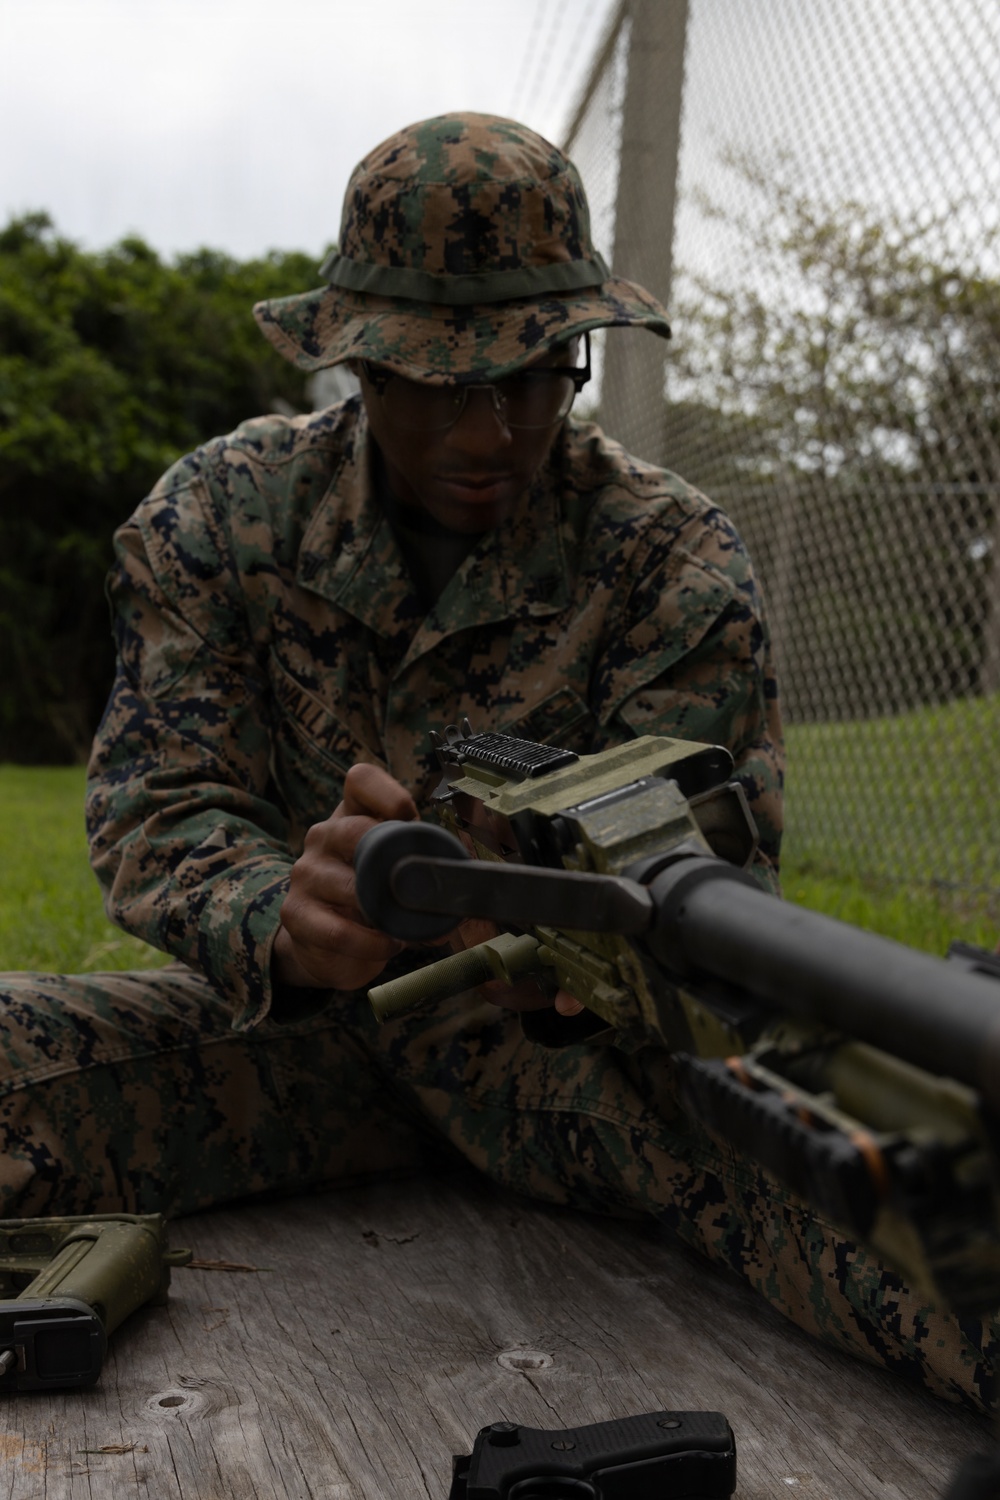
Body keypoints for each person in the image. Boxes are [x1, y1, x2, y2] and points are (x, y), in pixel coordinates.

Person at [0, 113, 994, 1413]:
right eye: (448, 382)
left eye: (539, 371)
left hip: (598, 1065)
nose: (500, 427)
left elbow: (722, 839)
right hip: (307, 1044)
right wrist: (281, 915)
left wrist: (579, 943)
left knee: (915, 1183)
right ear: (358, 363)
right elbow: (158, 803)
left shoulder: (667, 556)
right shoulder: (220, 519)